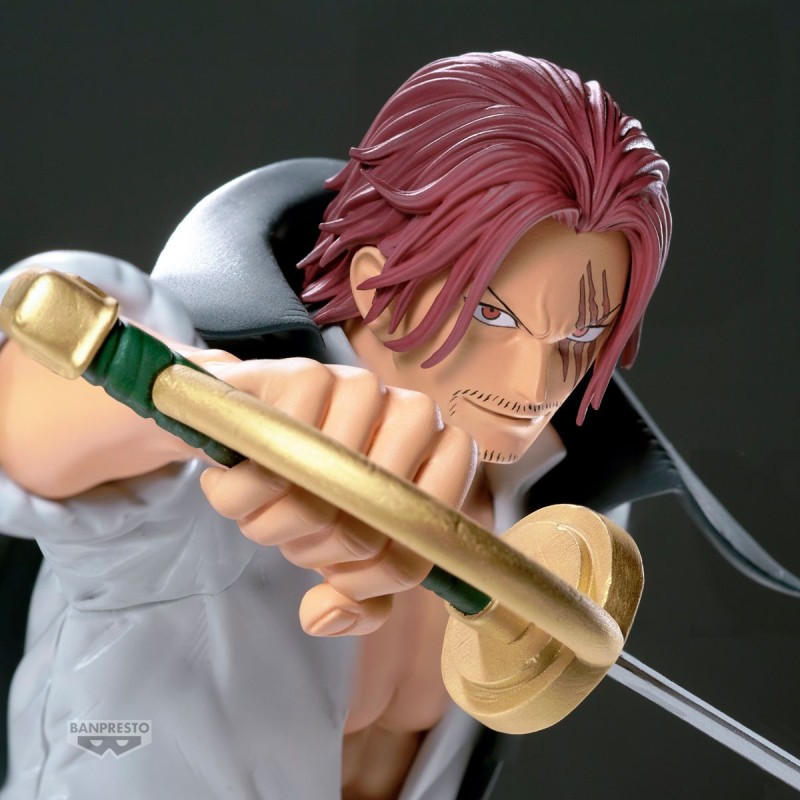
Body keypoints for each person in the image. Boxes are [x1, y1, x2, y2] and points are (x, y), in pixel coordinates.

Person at [0, 52, 670, 799]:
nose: (535, 386)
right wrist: (239, 408)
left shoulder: (562, 497)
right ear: (374, 284)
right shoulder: (189, 462)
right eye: (492, 313)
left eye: (581, 335)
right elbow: (28, 386)